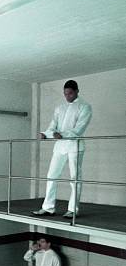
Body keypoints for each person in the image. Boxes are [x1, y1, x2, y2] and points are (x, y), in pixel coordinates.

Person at [33, 80, 92, 219]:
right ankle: (48, 207)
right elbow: (53, 125)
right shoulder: (60, 107)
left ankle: (73, 210)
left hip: (74, 146)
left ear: (77, 91)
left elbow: (79, 129)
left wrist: (62, 135)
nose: (67, 96)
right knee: (51, 175)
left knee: (74, 178)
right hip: (60, 146)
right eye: (65, 94)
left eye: (70, 93)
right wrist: (45, 134)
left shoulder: (85, 107)